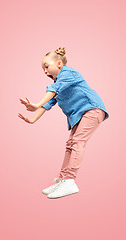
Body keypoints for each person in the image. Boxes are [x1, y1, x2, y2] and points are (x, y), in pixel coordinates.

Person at [18, 46, 109, 199]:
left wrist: (36, 103)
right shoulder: (58, 82)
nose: (45, 71)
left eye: (47, 67)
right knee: (70, 144)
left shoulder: (68, 73)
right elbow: (49, 103)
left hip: (92, 110)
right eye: (43, 69)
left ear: (59, 64)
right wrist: (33, 119)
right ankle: (62, 179)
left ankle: (69, 180)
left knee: (78, 142)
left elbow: (53, 89)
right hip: (80, 115)